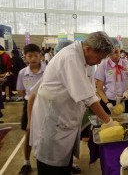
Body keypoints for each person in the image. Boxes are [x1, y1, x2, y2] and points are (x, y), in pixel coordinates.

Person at [29, 31, 118, 175]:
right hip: (53, 123)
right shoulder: (71, 58)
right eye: (99, 58)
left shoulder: (85, 60)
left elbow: (90, 91)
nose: (99, 62)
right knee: (51, 168)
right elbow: (89, 98)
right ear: (88, 48)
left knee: (63, 166)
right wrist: (108, 121)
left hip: (65, 122)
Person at [17, 44, 46, 175]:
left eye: (36, 55)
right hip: (29, 103)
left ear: (41, 56)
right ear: (25, 57)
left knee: (49, 132)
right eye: (30, 56)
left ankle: (59, 162)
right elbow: (21, 91)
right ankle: (26, 162)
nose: (33, 58)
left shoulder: (48, 70)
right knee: (28, 133)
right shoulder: (23, 73)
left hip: (46, 104)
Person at [95, 38, 128, 115]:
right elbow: (99, 89)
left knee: (124, 124)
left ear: (120, 49)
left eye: (116, 52)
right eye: (111, 53)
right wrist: (107, 103)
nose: (114, 56)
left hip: (123, 101)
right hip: (108, 101)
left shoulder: (127, 64)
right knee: (108, 125)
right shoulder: (103, 65)